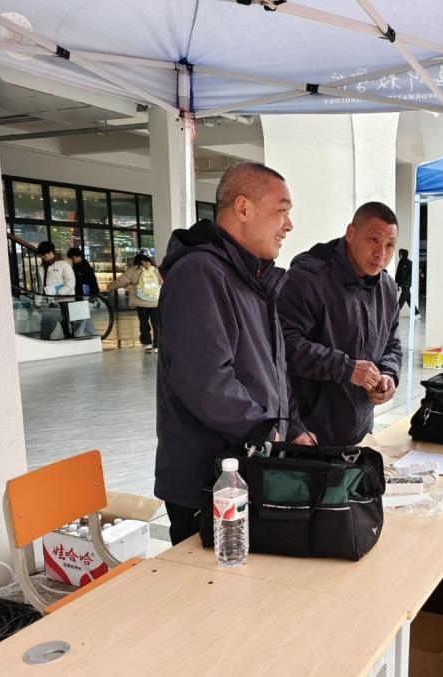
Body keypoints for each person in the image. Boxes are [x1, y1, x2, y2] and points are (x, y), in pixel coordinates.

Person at [155, 162, 314, 544]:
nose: (289, 225)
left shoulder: (253, 280)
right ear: (243, 208)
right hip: (210, 485)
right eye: (282, 210)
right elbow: (208, 383)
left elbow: (275, 373)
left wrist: (292, 429)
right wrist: (270, 433)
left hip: (250, 471)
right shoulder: (199, 274)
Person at [278, 202, 403, 446]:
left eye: (390, 245)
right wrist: (346, 368)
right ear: (350, 233)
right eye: (373, 240)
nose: (381, 254)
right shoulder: (308, 279)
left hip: (361, 431)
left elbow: (392, 343)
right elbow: (284, 345)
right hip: (308, 435)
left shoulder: (387, 287)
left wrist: (389, 374)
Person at [109, 252, 163, 352]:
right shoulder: (156, 270)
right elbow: (162, 282)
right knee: (156, 324)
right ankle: (157, 345)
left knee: (144, 323)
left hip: (141, 302)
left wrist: (109, 287)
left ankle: (147, 343)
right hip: (155, 302)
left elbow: (120, 281)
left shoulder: (133, 270)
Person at [36, 240, 75, 340]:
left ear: (51, 252)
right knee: (45, 326)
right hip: (48, 302)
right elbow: (40, 286)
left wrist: (58, 294)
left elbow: (70, 283)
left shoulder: (64, 265)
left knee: (66, 326)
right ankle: (44, 344)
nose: (43, 257)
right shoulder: (42, 267)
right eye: (42, 255)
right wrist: (38, 301)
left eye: (45, 254)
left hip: (63, 301)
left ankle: (69, 342)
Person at [67, 246, 98, 337]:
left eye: (72, 258)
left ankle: (78, 336)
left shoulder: (85, 268)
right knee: (84, 319)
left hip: (82, 297)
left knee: (80, 319)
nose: (72, 260)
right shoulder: (75, 268)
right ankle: (93, 336)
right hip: (79, 297)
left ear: (78, 256)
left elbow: (93, 282)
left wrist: (94, 295)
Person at [395, 248, 418, 315]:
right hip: (403, 284)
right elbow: (398, 273)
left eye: (401, 254)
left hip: (407, 284)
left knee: (401, 300)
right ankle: (416, 313)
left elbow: (412, 274)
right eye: (399, 254)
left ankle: (395, 314)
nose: (400, 255)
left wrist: (409, 282)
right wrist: (397, 284)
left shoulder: (409, 263)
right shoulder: (400, 262)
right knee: (408, 299)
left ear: (404, 254)